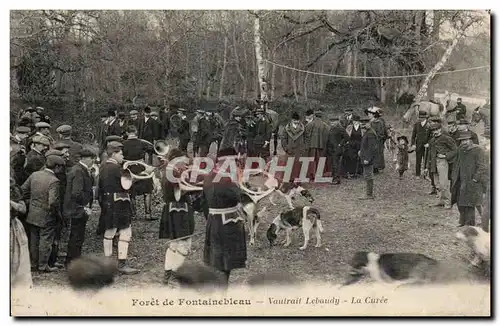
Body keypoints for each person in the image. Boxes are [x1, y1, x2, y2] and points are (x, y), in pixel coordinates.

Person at [202, 147, 246, 288]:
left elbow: (203, 204)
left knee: (216, 261)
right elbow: (241, 197)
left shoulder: (208, 177)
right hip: (228, 225)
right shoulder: (226, 180)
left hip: (213, 221)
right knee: (225, 265)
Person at [98, 141, 139, 274]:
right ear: (114, 154)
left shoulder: (103, 166)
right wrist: (136, 179)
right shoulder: (117, 169)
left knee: (109, 232)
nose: (122, 156)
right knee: (125, 232)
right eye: (121, 154)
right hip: (120, 203)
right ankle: (122, 264)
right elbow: (127, 185)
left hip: (107, 201)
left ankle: (107, 263)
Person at [21, 155, 66, 273]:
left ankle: (33, 264)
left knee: (34, 239)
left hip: (32, 213)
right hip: (47, 215)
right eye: (61, 167)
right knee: (45, 240)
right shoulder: (54, 180)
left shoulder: (35, 175)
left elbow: (23, 190)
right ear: (57, 167)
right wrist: (57, 215)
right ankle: (43, 265)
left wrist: (31, 202)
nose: (61, 170)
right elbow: (53, 202)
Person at [159, 149, 196, 285]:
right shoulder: (176, 172)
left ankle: (167, 275)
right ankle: (175, 277)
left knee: (173, 244)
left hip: (170, 209)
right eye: (182, 160)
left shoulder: (167, 171)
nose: (185, 163)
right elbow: (180, 192)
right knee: (184, 245)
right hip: (181, 210)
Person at [64, 148, 97, 266]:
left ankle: (74, 259)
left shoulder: (81, 169)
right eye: (92, 159)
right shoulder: (79, 171)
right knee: (76, 235)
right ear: (86, 158)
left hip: (78, 208)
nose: (93, 161)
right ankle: (72, 261)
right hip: (77, 208)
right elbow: (76, 193)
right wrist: (85, 205)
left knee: (78, 235)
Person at [450, 131, 487, 226]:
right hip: (461, 179)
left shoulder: (478, 150)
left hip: (472, 180)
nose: (464, 142)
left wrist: (475, 179)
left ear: (471, 140)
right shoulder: (461, 149)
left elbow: (482, 167)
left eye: (466, 140)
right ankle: (462, 221)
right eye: (462, 140)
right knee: (460, 201)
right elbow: (457, 162)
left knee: (470, 203)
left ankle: (470, 223)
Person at [122, 125, 156, 220]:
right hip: (142, 169)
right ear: (136, 132)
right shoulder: (142, 143)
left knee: (131, 192)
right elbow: (154, 150)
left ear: (127, 133)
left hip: (129, 169)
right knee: (148, 191)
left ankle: (133, 215)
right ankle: (148, 214)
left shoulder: (123, 143)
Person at [425, 122, 457, 209]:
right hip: (433, 163)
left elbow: (455, 150)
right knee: (437, 184)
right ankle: (440, 200)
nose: (435, 131)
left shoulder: (446, 138)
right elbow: (429, 154)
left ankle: (447, 202)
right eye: (433, 130)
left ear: (440, 129)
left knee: (443, 184)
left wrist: (445, 156)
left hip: (442, 162)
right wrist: (427, 167)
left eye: (436, 129)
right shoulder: (431, 140)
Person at [10, 176, 32, 289]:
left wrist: (10, 203)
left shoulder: (14, 189)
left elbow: (23, 209)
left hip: (12, 227)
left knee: (15, 255)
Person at [304, 109, 330, 181]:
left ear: (315, 116)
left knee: (312, 160)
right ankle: (320, 174)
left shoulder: (309, 124)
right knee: (320, 159)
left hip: (311, 146)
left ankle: (312, 174)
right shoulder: (325, 125)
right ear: (321, 116)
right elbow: (328, 135)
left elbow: (305, 135)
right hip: (321, 146)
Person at [280, 112, 306, 183]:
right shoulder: (287, 128)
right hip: (290, 150)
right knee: (289, 165)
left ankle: (298, 180)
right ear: (292, 120)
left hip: (299, 150)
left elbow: (306, 139)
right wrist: (286, 148)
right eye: (295, 120)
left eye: (297, 120)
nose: (296, 122)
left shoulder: (303, 128)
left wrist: (304, 148)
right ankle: (289, 180)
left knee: (298, 166)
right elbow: (283, 139)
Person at [358, 117, 378, 200]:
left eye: (365, 124)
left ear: (369, 124)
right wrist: (361, 151)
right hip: (365, 157)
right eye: (362, 124)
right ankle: (369, 193)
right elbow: (365, 145)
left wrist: (367, 158)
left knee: (369, 175)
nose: (363, 126)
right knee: (367, 175)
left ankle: (369, 194)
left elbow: (372, 148)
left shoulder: (370, 133)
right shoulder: (367, 132)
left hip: (368, 158)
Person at [326, 115, 348, 184]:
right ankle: (334, 177)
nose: (332, 123)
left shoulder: (340, 128)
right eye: (331, 122)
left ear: (337, 122)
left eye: (333, 122)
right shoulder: (331, 128)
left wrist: (340, 144)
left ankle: (337, 179)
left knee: (336, 164)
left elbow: (347, 137)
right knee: (333, 164)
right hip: (331, 149)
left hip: (337, 149)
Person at [365, 107, 387, 173]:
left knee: (378, 154)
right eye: (368, 114)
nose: (368, 115)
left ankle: (378, 168)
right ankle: (374, 167)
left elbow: (381, 133)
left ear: (374, 115)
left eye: (370, 114)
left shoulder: (378, 122)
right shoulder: (370, 122)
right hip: (371, 141)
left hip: (377, 141)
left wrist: (375, 139)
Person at [410, 111, 431, 177]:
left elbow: (432, 136)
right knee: (418, 160)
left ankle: (426, 175)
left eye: (423, 117)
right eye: (420, 117)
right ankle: (417, 174)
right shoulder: (416, 124)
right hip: (418, 145)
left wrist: (429, 143)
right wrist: (413, 144)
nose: (421, 119)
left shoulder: (429, 125)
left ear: (425, 117)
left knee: (426, 160)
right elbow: (413, 136)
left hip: (426, 146)